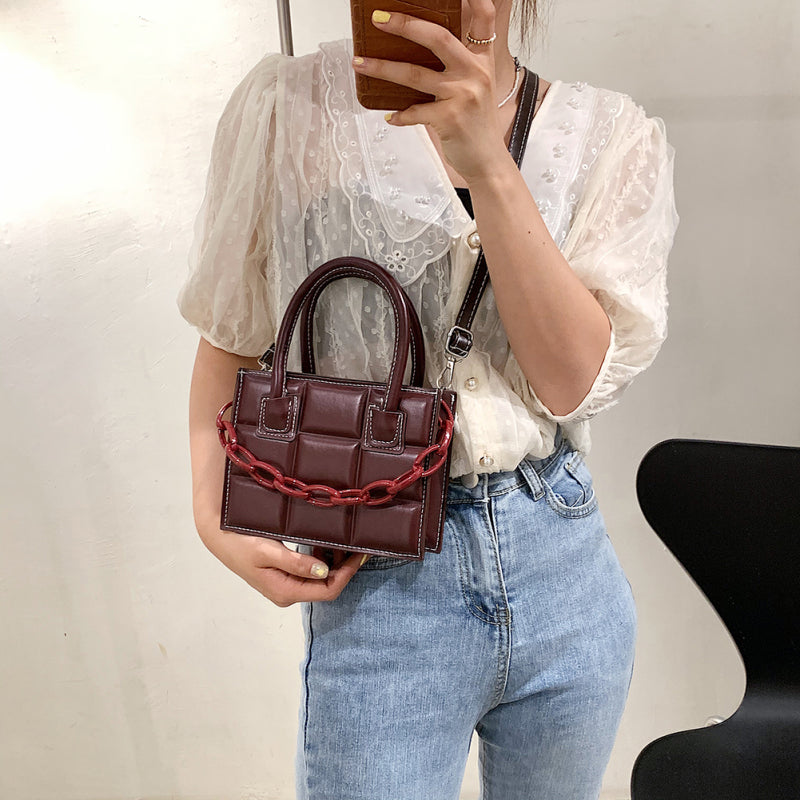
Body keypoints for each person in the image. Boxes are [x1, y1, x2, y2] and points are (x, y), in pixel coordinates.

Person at [178, 0, 678, 797]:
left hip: (563, 566)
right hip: (378, 574)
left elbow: (569, 384)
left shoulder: (609, 136)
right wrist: (212, 514)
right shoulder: (291, 110)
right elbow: (231, 333)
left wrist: (489, 163)